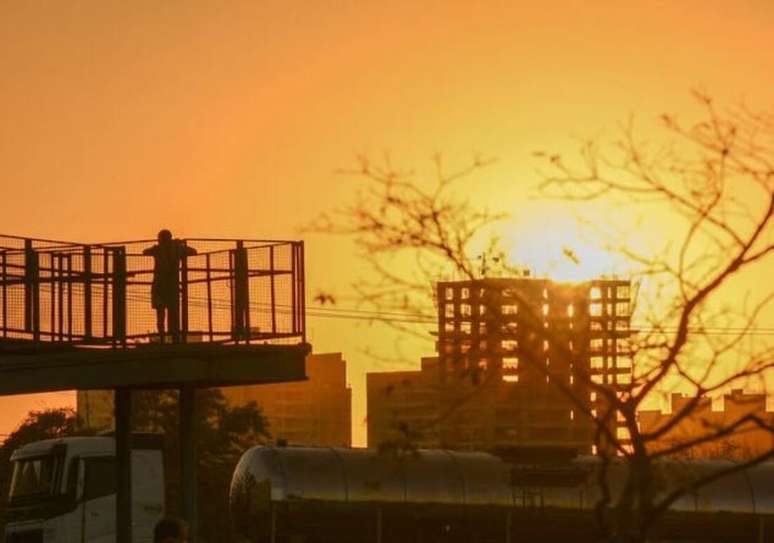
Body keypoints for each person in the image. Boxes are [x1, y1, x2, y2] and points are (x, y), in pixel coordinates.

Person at [143, 229, 196, 343]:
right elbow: (193, 251)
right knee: (173, 314)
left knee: (161, 315)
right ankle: (174, 338)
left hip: (159, 286)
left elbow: (145, 252)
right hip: (172, 287)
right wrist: (179, 244)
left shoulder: (158, 249)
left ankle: (162, 338)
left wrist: (156, 247)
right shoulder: (178, 248)